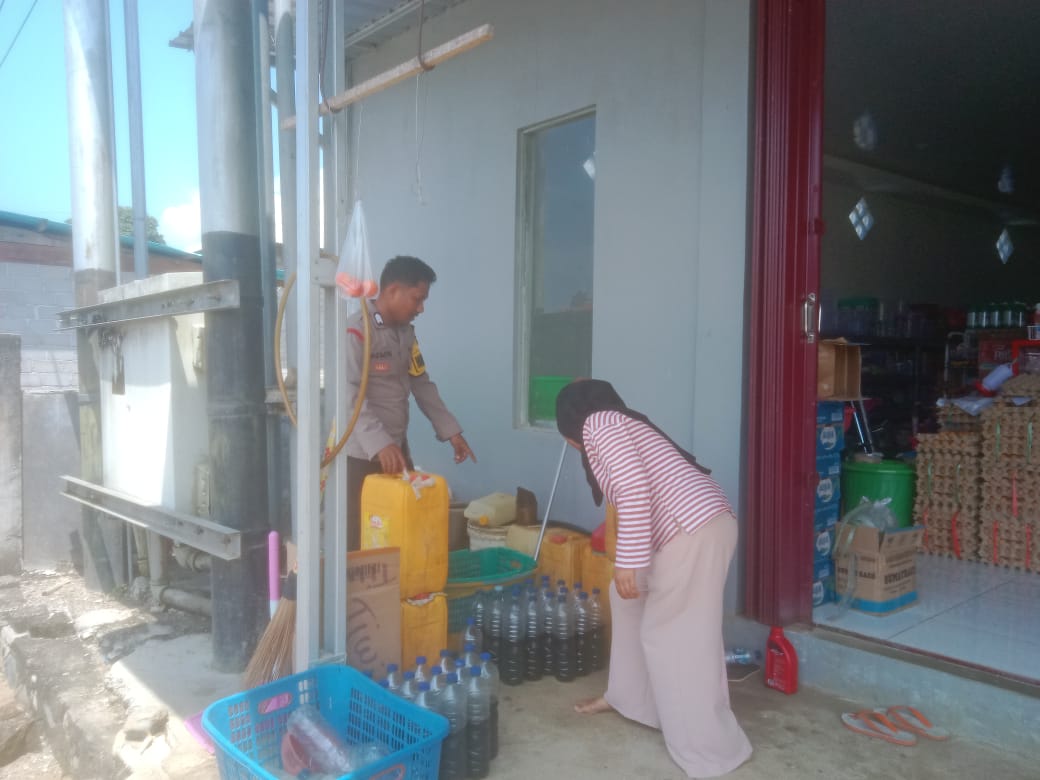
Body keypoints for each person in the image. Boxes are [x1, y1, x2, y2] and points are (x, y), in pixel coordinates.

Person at [555, 379, 751, 779]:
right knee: (626, 599)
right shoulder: (618, 421)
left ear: (570, 430)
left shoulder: (598, 423)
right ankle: (631, 700)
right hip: (689, 527)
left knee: (677, 638)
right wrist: (627, 565)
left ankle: (711, 753)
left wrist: (628, 561)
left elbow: (633, 486)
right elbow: (630, 493)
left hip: (690, 530)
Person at [344, 255, 476, 550]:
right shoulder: (358, 331)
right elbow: (347, 396)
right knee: (361, 537)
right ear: (393, 290)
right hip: (361, 456)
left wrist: (451, 431)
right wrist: (380, 444)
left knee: (401, 530)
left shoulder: (406, 334)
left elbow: (421, 382)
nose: (421, 308)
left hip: (396, 449)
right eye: (417, 299)